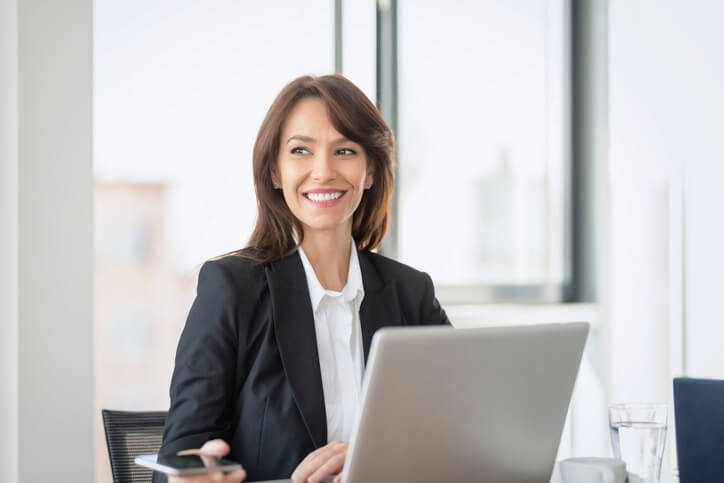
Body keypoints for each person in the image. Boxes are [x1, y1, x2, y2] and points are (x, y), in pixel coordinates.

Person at [154, 74, 450, 483]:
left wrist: (371, 456)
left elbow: (458, 433)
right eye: (301, 151)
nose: (323, 171)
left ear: (370, 172)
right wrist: (190, 474)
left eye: (345, 150)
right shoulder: (231, 289)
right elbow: (174, 462)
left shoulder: (411, 293)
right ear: (275, 171)